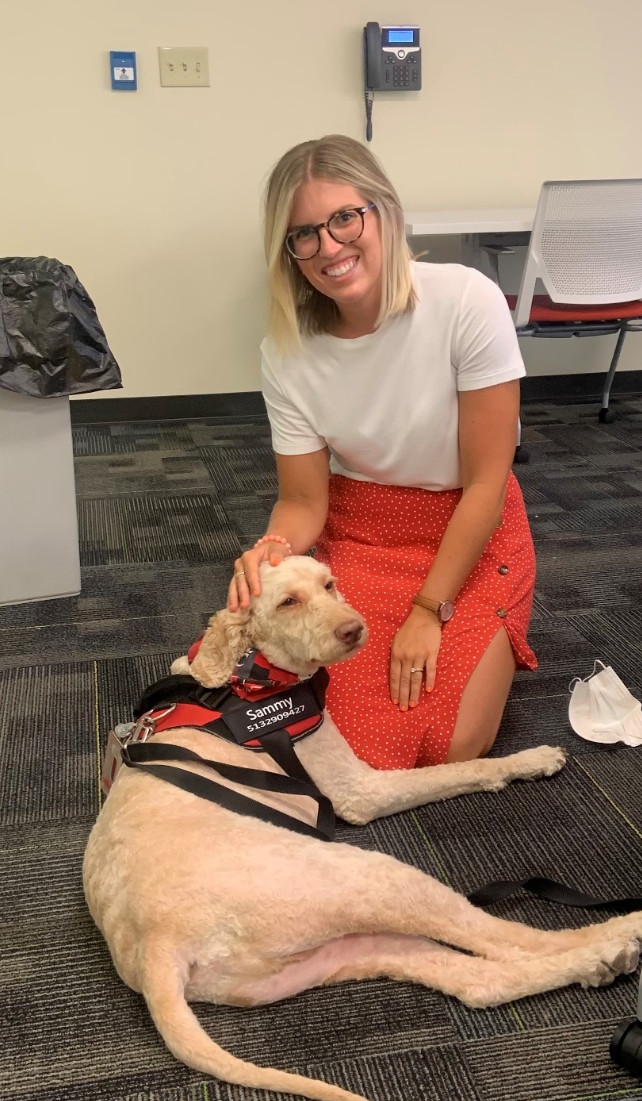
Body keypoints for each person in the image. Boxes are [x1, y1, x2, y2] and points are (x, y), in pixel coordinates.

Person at [228, 133, 537, 770]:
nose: (329, 248)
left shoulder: (464, 301)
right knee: (282, 715)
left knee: (448, 744)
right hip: (362, 530)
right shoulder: (287, 352)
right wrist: (274, 552)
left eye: (345, 218)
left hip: (470, 529)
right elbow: (303, 501)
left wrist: (429, 611)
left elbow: (486, 483)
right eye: (304, 234)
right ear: (289, 253)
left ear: (385, 212)